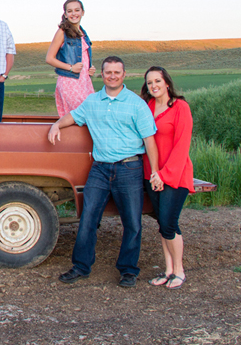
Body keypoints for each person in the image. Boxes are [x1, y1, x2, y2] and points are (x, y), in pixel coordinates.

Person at [48, 56, 158, 288]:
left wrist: (155, 171)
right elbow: (74, 117)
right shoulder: (92, 101)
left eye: (117, 72)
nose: (112, 76)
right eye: (108, 72)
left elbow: (149, 140)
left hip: (129, 167)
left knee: (132, 222)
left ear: (124, 75)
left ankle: (128, 270)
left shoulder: (136, 104)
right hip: (99, 169)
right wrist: (57, 124)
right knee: (88, 219)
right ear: (102, 75)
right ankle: (81, 266)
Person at [140, 66, 194, 290]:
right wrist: (153, 174)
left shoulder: (180, 107)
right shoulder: (148, 106)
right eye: (150, 82)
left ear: (167, 83)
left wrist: (163, 175)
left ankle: (179, 271)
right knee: (162, 223)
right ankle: (168, 270)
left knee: (169, 223)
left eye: (157, 81)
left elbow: (182, 145)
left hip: (174, 174)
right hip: (151, 174)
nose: (154, 86)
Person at [45, 0, 96, 117]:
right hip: (70, 81)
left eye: (77, 10)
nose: (74, 14)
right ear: (65, 14)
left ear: (82, 12)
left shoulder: (83, 33)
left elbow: (82, 56)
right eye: (70, 11)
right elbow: (49, 58)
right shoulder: (62, 32)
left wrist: (89, 67)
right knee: (78, 116)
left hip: (84, 81)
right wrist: (71, 67)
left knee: (90, 114)